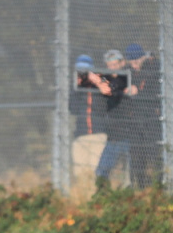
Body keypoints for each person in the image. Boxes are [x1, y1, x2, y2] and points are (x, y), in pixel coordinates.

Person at [87, 49, 138, 186]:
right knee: (102, 171)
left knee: (132, 170)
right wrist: (98, 81)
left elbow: (115, 87)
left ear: (122, 63)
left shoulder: (128, 76)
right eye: (110, 65)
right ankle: (103, 192)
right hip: (113, 134)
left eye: (115, 64)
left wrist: (104, 85)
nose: (113, 68)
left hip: (129, 132)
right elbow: (101, 85)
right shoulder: (106, 78)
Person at [69, 54, 107, 199]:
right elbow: (72, 108)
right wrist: (77, 88)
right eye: (79, 70)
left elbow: (107, 99)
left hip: (98, 134)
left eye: (85, 70)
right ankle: (83, 200)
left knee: (94, 170)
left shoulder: (101, 81)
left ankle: (95, 199)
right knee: (80, 171)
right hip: (81, 134)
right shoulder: (75, 86)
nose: (82, 73)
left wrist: (96, 82)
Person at [125, 43, 162, 188]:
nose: (134, 65)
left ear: (142, 57)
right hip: (135, 121)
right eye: (131, 62)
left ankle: (156, 187)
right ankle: (139, 187)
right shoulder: (129, 72)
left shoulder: (154, 68)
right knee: (137, 158)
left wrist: (138, 92)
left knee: (153, 155)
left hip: (151, 120)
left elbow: (155, 93)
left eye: (136, 61)